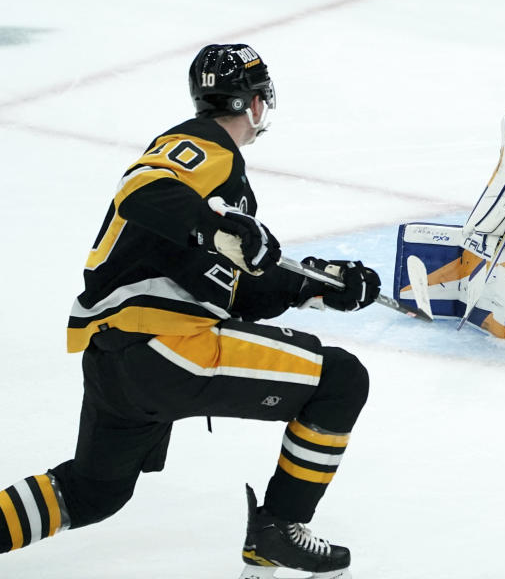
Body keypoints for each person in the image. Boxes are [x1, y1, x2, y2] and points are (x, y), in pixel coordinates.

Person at [0, 44, 380, 579]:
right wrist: (216, 226)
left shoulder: (220, 194)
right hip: (167, 349)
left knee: (94, 492)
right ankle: (279, 532)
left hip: (116, 357)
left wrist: (317, 286)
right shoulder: (203, 147)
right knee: (340, 379)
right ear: (255, 104)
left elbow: (230, 292)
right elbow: (141, 188)